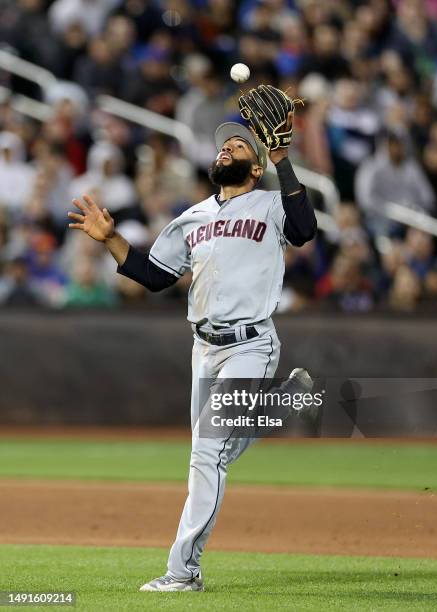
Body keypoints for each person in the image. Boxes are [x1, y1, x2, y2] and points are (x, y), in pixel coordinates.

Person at [68, 118, 317, 592]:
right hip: (204, 349)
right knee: (216, 450)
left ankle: (183, 571)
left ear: (257, 165)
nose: (226, 149)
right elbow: (156, 275)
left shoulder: (270, 203)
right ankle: (282, 405)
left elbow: (304, 229)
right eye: (223, 145)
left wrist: (282, 159)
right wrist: (110, 241)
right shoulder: (194, 216)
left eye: (239, 145)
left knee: (206, 455)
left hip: (250, 343)